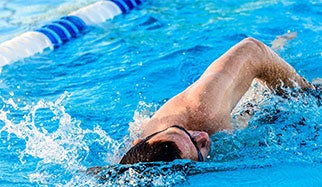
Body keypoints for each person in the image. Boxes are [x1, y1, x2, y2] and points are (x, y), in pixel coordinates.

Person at [119, 37, 315, 164]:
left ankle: (284, 46)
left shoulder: (203, 108)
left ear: (139, 141)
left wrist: (304, 91)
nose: (202, 136)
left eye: (182, 130)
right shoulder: (136, 161)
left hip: (238, 82)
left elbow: (253, 49)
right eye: (198, 147)